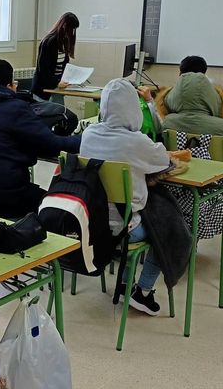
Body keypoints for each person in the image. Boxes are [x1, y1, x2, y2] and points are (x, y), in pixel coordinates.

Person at [80, 78, 173, 315]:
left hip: (90, 222)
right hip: (124, 227)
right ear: (134, 109)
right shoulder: (138, 142)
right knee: (168, 231)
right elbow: (163, 160)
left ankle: (124, 284)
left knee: (136, 217)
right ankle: (142, 290)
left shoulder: (89, 134)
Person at [0, 59, 81, 218]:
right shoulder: (14, 107)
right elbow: (52, 145)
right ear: (9, 84)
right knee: (60, 207)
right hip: (0, 194)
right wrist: (86, 139)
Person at [157, 72, 223, 262]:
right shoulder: (222, 126)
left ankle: (189, 240)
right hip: (219, 185)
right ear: (212, 97)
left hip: (178, 184)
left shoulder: (168, 122)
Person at [31, 12, 80, 101]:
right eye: (71, 29)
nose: (72, 32)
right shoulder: (50, 41)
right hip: (43, 89)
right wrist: (57, 83)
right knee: (46, 112)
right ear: (64, 26)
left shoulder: (64, 41)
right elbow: (43, 69)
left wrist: (71, 79)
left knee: (59, 112)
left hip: (56, 88)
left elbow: (64, 66)